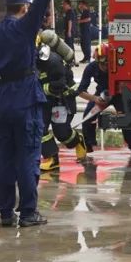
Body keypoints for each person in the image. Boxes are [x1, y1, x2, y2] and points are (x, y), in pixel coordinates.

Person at [0, 0, 65, 228]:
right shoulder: (25, 27)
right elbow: (44, 0)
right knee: (29, 156)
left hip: (4, 101)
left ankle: (5, 212)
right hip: (26, 98)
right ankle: (29, 212)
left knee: (5, 158)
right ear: (25, 7)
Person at [76, 44, 131, 157]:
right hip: (101, 94)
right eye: (103, 64)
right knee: (87, 117)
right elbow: (80, 91)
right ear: (97, 61)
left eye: (108, 63)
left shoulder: (119, 65)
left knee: (126, 119)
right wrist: (95, 98)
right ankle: (89, 145)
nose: (106, 67)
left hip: (119, 94)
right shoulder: (91, 68)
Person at [36, 43, 87, 171]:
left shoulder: (52, 61)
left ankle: (78, 140)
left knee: (62, 134)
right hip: (43, 101)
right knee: (39, 128)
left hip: (61, 100)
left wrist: (38, 89)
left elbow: (59, 85)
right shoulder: (26, 60)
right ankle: (52, 159)